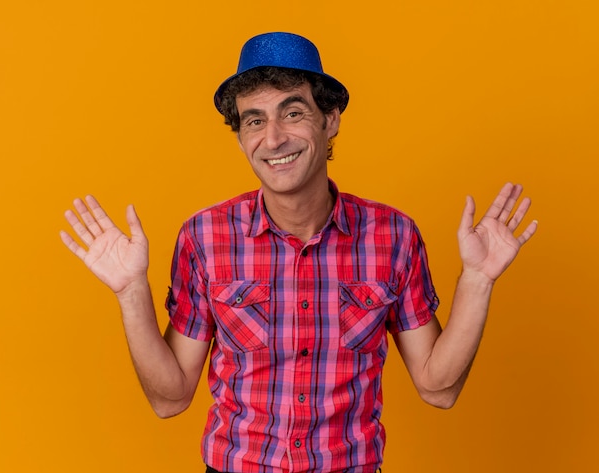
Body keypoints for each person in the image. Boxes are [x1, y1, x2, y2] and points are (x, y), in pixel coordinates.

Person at [60, 32, 537, 473]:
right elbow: (170, 398)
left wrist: (477, 279)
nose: (273, 139)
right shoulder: (203, 237)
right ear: (241, 136)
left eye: (292, 113)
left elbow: (439, 388)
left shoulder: (394, 235)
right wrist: (130, 292)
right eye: (254, 121)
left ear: (329, 120)